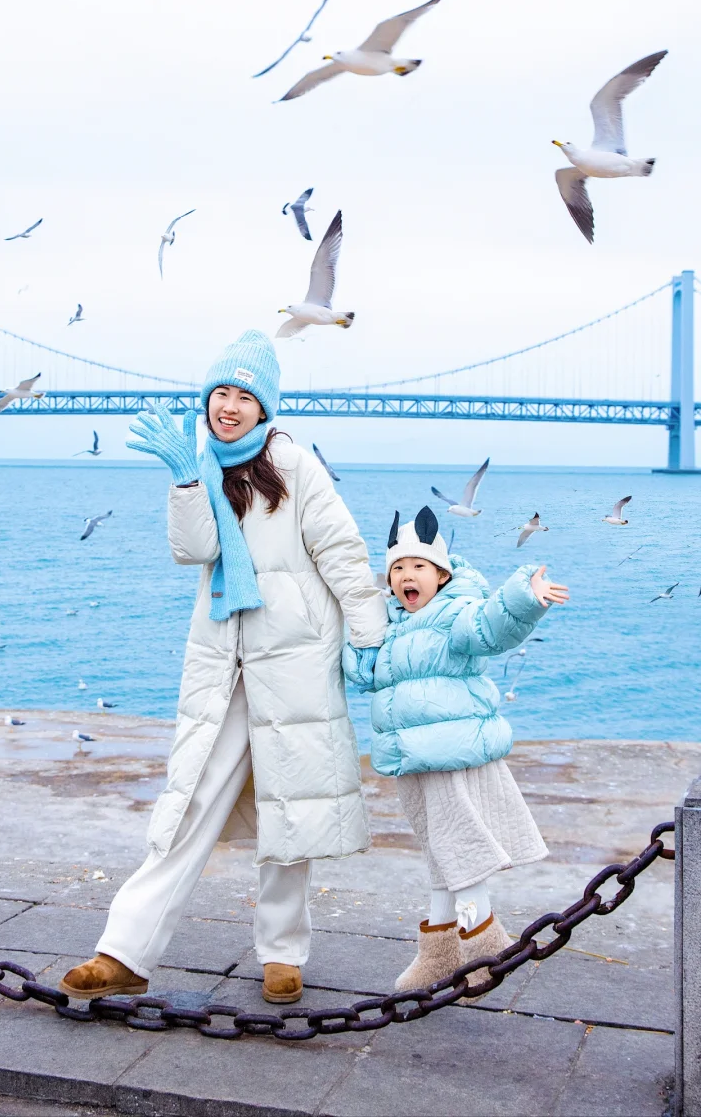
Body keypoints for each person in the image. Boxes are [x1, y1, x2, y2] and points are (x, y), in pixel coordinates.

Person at [60, 330, 386, 1006]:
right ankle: (125, 951)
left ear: (266, 408)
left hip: (294, 661)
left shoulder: (294, 466)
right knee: (188, 804)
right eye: (220, 394)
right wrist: (184, 480)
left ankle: (282, 954)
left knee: (289, 810)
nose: (229, 407)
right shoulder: (203, 464)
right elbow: (194, 550)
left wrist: (367, 632)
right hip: (224, 663)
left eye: (243, 396)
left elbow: (343, 552)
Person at [343, 505, 568, 990]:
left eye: (418, 567)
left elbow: (489, 627)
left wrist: (523, 599)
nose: (407, 575)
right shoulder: (391, 622)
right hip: (410, 758)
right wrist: (358, 630)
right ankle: (440, 952)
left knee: (458, 848)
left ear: (441, 575)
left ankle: (488, 945)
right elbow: (361, 675)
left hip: (451, 752)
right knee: (440, 854)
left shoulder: (454, 613)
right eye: (398, 569)